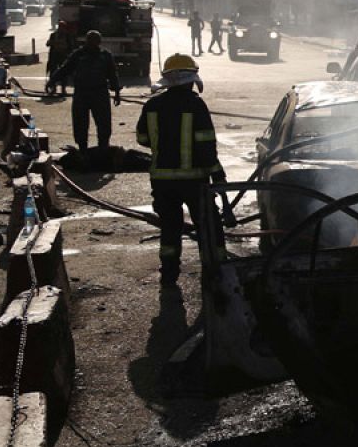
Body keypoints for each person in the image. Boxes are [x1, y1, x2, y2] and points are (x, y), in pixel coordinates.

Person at [135, 54, 226, 283]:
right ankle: (216, 273)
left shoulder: (152, 105)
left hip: (162, 182)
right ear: (191, 79)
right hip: (195, 181)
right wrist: (217, 174)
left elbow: (143, 138)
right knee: (209, 228)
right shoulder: (195, 105)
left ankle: (168, 275)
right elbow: (206, 144)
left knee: (170, 230)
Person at [48, 30, 122, 154]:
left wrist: (117, 93)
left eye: (95, 41)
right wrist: (52, 80)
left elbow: (112, 74)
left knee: (104, 123)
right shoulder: (78, 55)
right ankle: (83, 150)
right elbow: (65, 69)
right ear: (87, 41)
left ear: (99, 42)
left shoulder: (105, 56)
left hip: (100, 93)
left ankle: (103, 149)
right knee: (80, 123)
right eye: (91, 40)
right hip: (82, 94)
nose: (93, 43)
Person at [45, 21, 76, 96]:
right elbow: (48, 44)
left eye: (62, 27)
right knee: (53, 72)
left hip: (63, 57)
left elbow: (71, 47)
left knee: (64, 73)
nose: (61, 29)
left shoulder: (67, 36)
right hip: (54, 56)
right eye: (60, 27)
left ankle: (63, 89)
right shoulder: (53, 35)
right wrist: (52, 42)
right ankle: (53, 88)